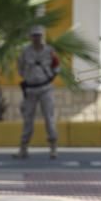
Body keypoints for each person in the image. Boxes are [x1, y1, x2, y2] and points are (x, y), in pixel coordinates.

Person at [15, 25, 59, 159]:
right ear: (30, 37)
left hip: (45, 88)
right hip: (30, 89)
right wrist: (27, 77)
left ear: (43, 36)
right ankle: (23, 148)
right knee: (28, 119)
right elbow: (20, 67)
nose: (36, 38)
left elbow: (57, 65)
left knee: (49, 119)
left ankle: (53, 148)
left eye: (39, 35)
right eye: (34, 35)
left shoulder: (49, 51)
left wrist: (50, 76)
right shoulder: (25, 51)